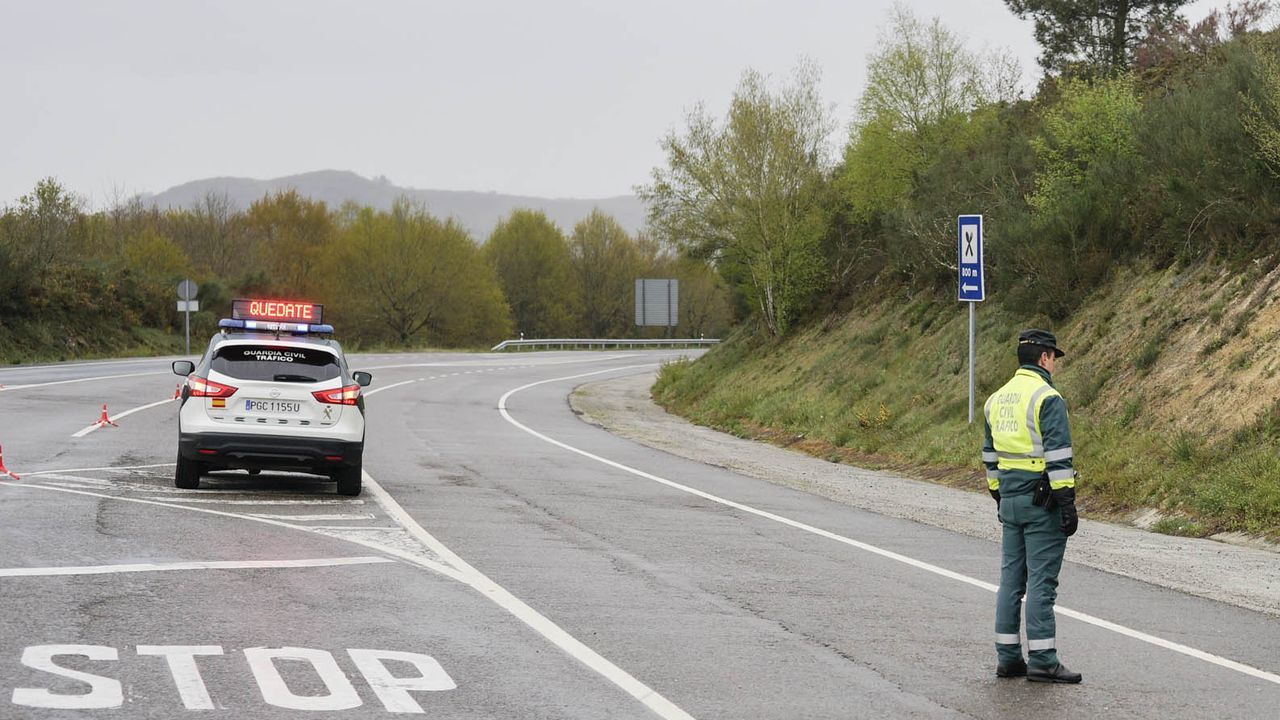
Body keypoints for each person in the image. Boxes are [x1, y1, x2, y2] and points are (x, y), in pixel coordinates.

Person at [981, 328, 1082, 684]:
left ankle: (1008, 658)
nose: (1054, 364)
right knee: (1042, 583)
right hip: (1043, 503)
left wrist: (999, 493)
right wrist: (1066, 501)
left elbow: (989, 456)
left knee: (1011, 581)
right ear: (1044, 358)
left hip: (1009, 500)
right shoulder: (1047, 397)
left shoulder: (997, 399)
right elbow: (1058, 456)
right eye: (1054, 357)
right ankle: (1043, 659)